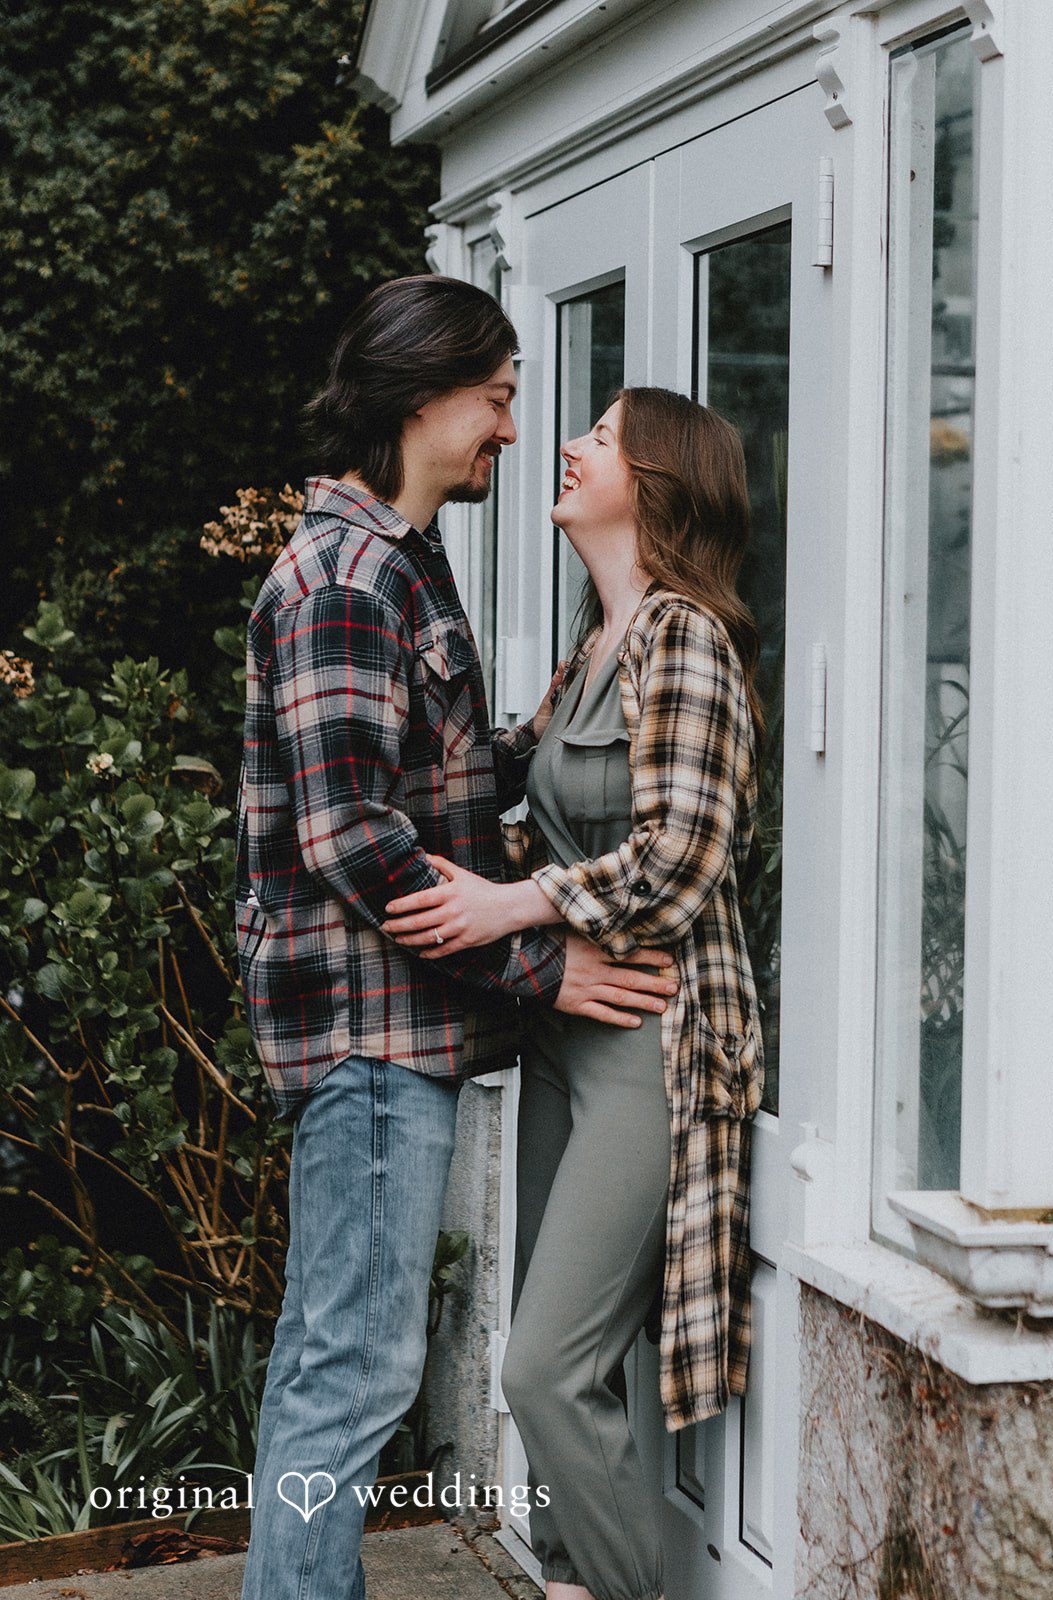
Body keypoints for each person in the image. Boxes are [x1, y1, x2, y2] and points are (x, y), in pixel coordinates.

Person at [234, 279, 680, 1600]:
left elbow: (414, 783)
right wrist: (547, 963)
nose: (507, 428)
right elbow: (356, 842)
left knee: (335, 1361)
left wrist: (540, 737)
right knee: (353, 1371)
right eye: (494, 398)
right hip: (368, 1034)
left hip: (388, 1031)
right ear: (422, 395)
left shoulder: (400, 561)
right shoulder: (343, 576)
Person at [382, 386, 765, 1600]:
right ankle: (567, 1583)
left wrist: (511, 905)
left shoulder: (682, 638)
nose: (564, 444)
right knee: (546, 1367)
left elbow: (682, 852)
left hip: (653, 1045)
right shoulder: (588, 649)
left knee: (547, 1364)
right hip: (564, 1035)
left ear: (652, 484)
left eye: (597, 438)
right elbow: (504, 788)